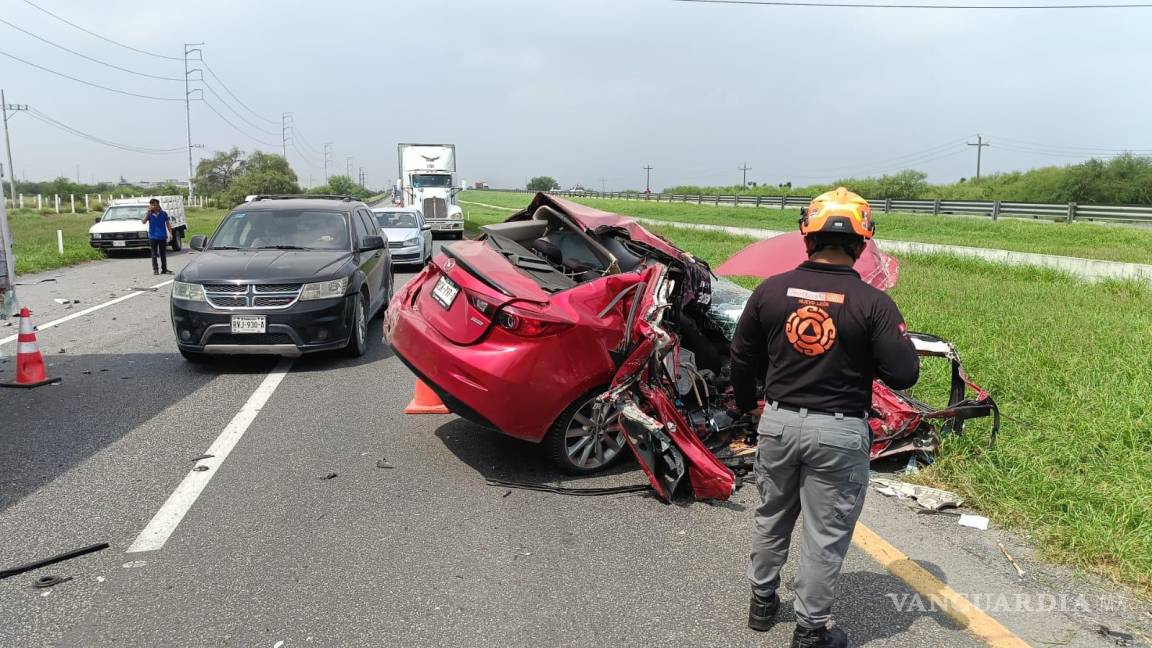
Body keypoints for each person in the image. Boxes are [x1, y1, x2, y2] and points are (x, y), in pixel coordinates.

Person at [730, 187, 920, 648]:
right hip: (837, 431)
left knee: (772, 513)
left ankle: (762, 603)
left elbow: (740, 356)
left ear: (807, 236)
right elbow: (904, 373)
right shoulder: (874, 303)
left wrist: (747, 404)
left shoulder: (771, 291)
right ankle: (811, 631)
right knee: (825, 530)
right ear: (862, 242)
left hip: (777, 422)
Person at [141, 198, 173, 275]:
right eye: (151, 205)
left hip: (162, 236)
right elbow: (143, 222)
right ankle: (155, 269)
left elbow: (168, 224)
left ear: (158, 205)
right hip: (153, 237)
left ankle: (164, 269)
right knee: (154, 254)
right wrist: (148, 211)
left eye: (154, 204)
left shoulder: (164, 214)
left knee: (163, 254)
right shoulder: (149, 214)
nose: (153, 206)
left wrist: (171, 233)